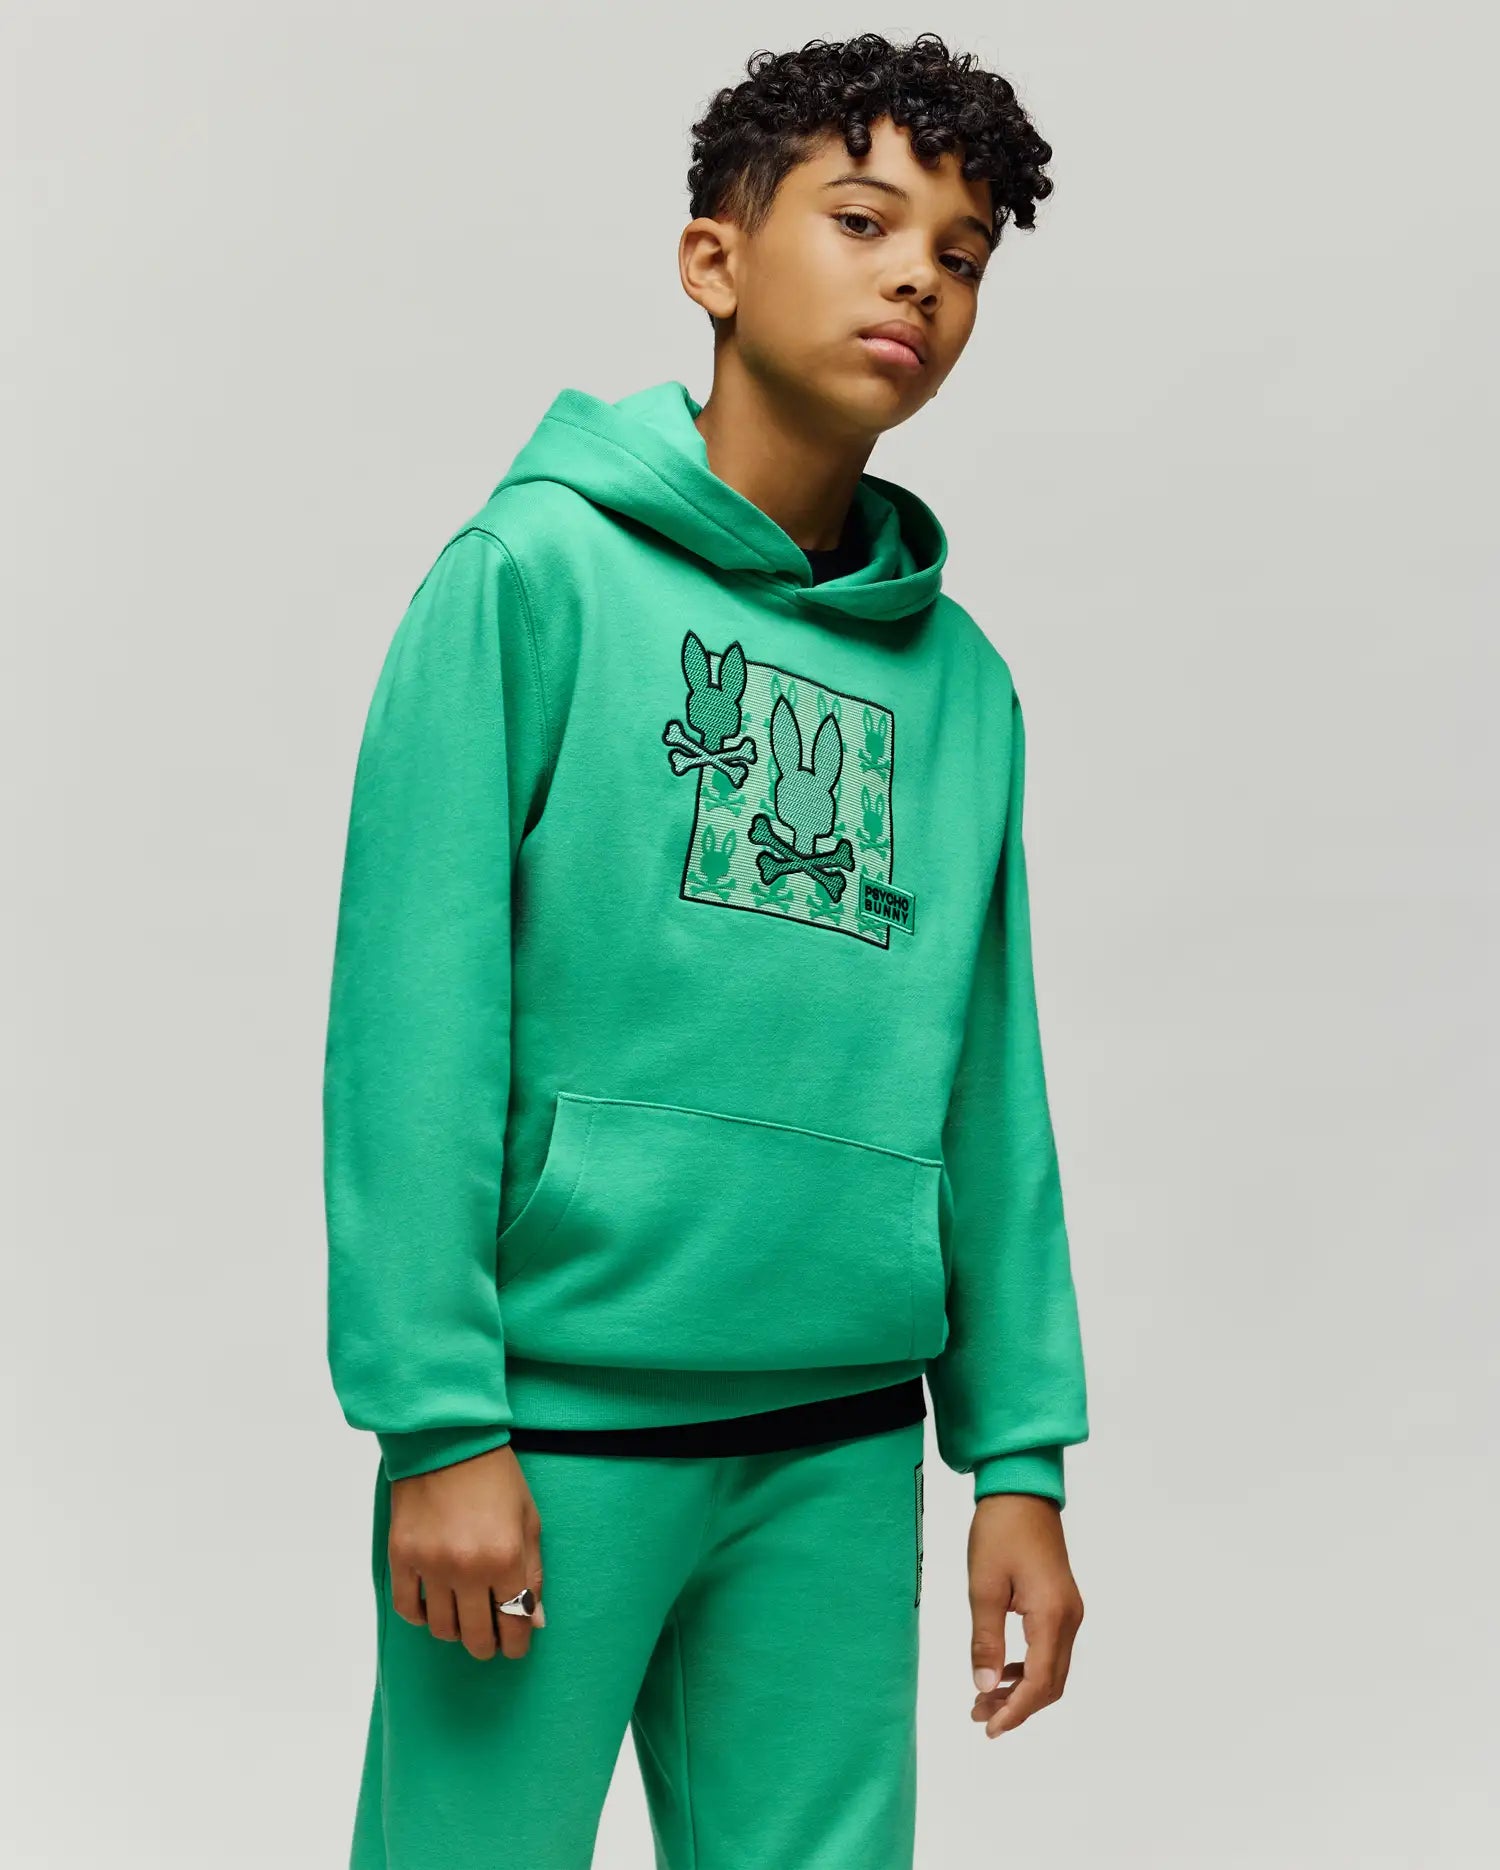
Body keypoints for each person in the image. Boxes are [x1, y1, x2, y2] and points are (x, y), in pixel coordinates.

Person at [322, 30, 1089, 1870]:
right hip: (548, 1438)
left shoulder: (963, 685)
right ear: (714, 261)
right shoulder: (531, 579)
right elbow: (414, 1021)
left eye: (962, 252)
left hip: (839, 1437)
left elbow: (989, 1079)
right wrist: (437, 1422)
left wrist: (1017, 1455)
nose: (918, 276)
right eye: (862, 219)